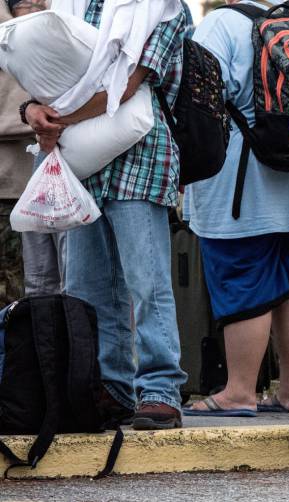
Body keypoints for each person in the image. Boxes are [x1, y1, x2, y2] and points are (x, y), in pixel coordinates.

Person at [23, 2, 189, 430]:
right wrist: (32, 110)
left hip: (140, 155)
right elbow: (53, 74)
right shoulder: (71, 5)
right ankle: (110, 388)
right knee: (87, 285)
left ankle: (160, 388)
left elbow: (128, 84)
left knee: (146, 282)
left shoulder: (165, 9)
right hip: (82, 159)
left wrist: (58, 120)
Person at [182, 0, 289, 418]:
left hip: (239, 183)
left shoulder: (220, 25)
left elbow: (196, 101)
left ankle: (239, 392)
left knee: (244, 280)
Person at [1, 0, 66, 304]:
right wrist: (30, 114)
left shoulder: (62, 11)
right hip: (17, 181)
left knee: (43, 290)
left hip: (51, 182)